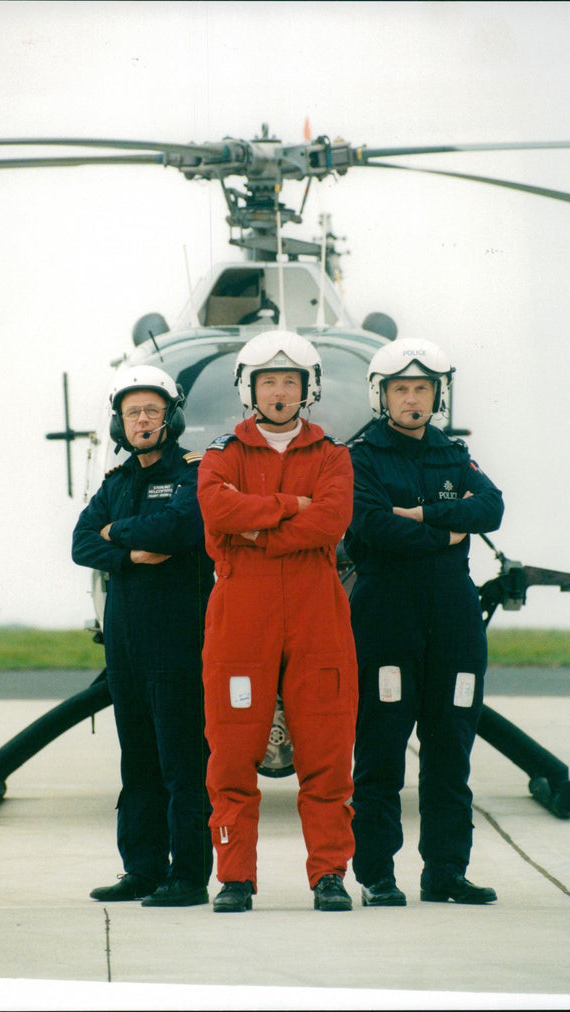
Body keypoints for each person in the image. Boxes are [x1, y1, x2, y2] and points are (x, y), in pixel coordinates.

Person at [196, 330, 358, 913]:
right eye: (269, 382)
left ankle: (330, 876)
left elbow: (332, 522)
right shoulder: (222, 453)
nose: (281, 392)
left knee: (327, 751)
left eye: (291, 381)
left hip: (318, 611)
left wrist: (255, 527)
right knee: (232, 751)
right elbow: (216, 509)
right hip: (243, 614)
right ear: (250, 388)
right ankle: (235, 878)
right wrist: (293, 506)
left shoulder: (332, 455)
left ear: (307, 388)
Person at [345, 337, 504, 906]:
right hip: (386, 614)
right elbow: (368, 526)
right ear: (382, 395)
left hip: (454, 619)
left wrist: (419, 514)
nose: (412, 399)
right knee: (382, 748)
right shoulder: (360, 456)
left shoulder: (454, 454)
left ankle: (445, 871)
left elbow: (491, 509)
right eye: (401, 389)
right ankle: (377, 875)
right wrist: (447, 529)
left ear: (438, 394)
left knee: (450, 747)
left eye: (422, 389)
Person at [72, 364, 214, 907]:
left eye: (152, 410)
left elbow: (181, 528)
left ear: (171, 416)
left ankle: (188, 876)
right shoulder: (116, 482)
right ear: (120, 423)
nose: (143, 420)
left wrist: (116, 534)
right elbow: (83, 542)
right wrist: (131, 551)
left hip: (178, 638)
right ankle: (143, 869)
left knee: (182, 761)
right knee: (138, 760)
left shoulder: (193, 474)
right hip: (127, 641)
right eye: (133, 412)